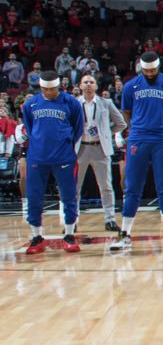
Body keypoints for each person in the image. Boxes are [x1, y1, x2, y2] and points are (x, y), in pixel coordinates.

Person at [113, 53, 163, 251]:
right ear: (141, 68)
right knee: (132, 187)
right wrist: (134, 129)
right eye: (146, 70)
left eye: (152, 70)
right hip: (138, 139)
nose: (149, 73)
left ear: (158, 67)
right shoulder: (131, 86)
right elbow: (126, 111)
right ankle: (124, 233)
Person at [21, 71, 84, 254]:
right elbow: (30, 128)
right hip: (37, 157)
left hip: (63, 156)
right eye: (46, 89)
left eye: (53, 89)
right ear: (41, 87)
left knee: (68, 196)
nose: (49, 92)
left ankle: (69, 235)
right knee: (34, 197)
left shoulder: (71, 103)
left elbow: (78, 128)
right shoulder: (30, 104)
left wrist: (65, 144)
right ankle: (37, 237)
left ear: (59, 87)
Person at [74, 73, 125, 232]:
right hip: (80, 148)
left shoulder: (106, 103)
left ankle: (110, 220)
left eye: (91, 82)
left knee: (106, 187)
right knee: (75, 187)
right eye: (85, 82)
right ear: (80, 86)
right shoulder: (74, 103)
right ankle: (72, 221)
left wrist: (106, 133)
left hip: (100, 148)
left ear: (96, 86)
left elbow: (121, 123)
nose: (88, 84)